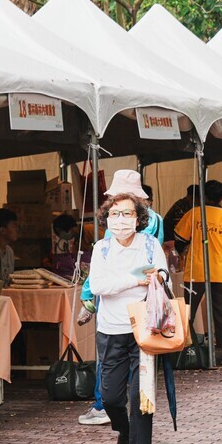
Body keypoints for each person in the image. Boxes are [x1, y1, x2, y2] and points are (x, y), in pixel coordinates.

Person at [89, 192, 168, 444]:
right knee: (110, 397)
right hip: (110, 330)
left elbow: (163, 275)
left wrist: (157, 277)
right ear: (106, 218)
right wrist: (135, 280)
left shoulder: (149, 244)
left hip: (144, 329)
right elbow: (98, 286)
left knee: (140, 396)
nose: (120, 220)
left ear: (138, 218)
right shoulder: (102, 248)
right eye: (114, 214)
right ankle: (124, 431)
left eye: (127, 214)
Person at [77, 170, 160, 427]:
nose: (119, 217)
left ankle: (130, 435)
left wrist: (90, 297)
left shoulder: (138, 229)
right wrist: (136, 278)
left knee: (136, 391)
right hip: (119, 318)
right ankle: (122, 426)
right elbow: (102, 277)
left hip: (139, 317)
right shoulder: (113, 235)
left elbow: (150, 271)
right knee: (123, 388)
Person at [174, 180, 222, 365]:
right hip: (220, 270)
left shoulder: (194, 213)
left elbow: (179, 237)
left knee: (188, 310)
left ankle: (182, 349)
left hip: (196, 270)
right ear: (221, 197)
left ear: (203, 195)